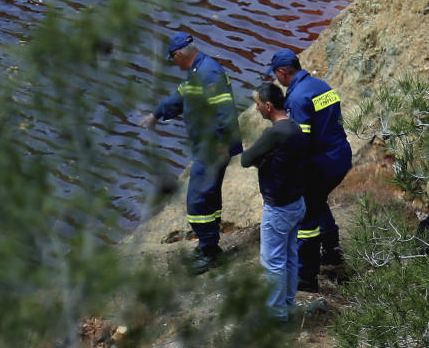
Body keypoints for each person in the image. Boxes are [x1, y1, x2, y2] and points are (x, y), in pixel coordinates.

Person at [140, 32, 243, 274]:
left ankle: (209, 252)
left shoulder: (209, 73)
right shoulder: (197, 71)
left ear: (178, 55)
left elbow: (225, 112)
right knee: (208, 196)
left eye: (172, 59)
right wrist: (157, 114)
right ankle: (209, 244)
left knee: (197, 199)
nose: (173, 63)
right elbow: (180, 97)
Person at [266, 48, 352, 292]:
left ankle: (306, 276)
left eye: (276, 75)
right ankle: (332, 249)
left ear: (283, 73)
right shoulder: (321, 86)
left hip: (321, 162)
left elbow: (299, 141)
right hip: (340, 156)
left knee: (306, 214)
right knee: (317, 199)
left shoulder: (296, 98)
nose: (277, 80)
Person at [241, 82, 309, 322]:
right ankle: (288, 306)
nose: (257, 108)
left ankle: (276, 315)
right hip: (296, 203)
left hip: (279, 208)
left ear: (268, 106)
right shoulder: (295, 128)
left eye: (258, 104)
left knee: (273, 263)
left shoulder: (274, 133)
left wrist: (262, 160)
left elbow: (246, 159)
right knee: (290, 257)